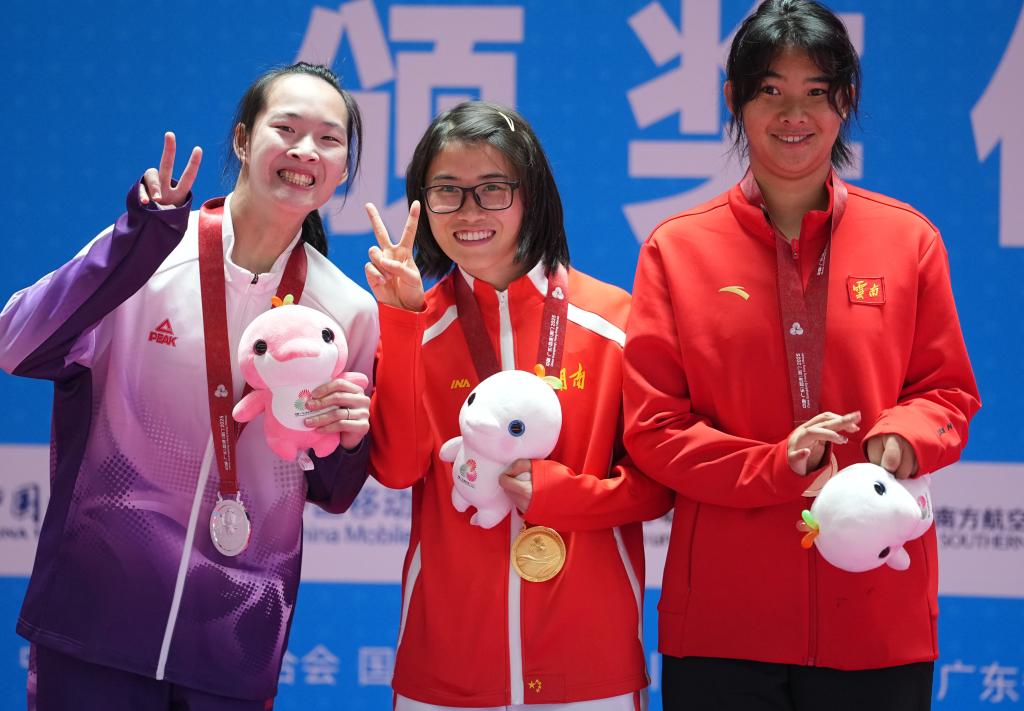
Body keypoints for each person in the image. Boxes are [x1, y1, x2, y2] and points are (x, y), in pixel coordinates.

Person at [622, 1, 981, 709]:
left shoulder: (908, 240)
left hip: (876, 610)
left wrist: (900, 440)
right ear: (735, 99)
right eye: (770, 90)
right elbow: (654, 429)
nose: (794, 114)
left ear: (845, 100)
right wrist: (776, 464)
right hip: (724, 619)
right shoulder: (678, 249)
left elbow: (948, 394)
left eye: (817, 91)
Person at [0, 62, 378, 710]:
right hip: (97, 612)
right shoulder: (148, 253)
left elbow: (332, 490)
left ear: (342, 168)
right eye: (286, 129)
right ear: (242, 139)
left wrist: (346, 441)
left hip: (233, 636)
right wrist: (130, 246)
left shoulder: (347, 312)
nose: (305, 151)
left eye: (328, 138)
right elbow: (16, 344)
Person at [364, 101, 672, 711]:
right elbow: (396, 470)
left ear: (531, 195)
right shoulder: (415, 327)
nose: (469, 212)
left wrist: (561, 494)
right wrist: (400, 323)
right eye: (447, 191)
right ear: (422, 202)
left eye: (492, 189)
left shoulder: (615, 323)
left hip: (589, 663)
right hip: (448, 665)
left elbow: (658, 486)